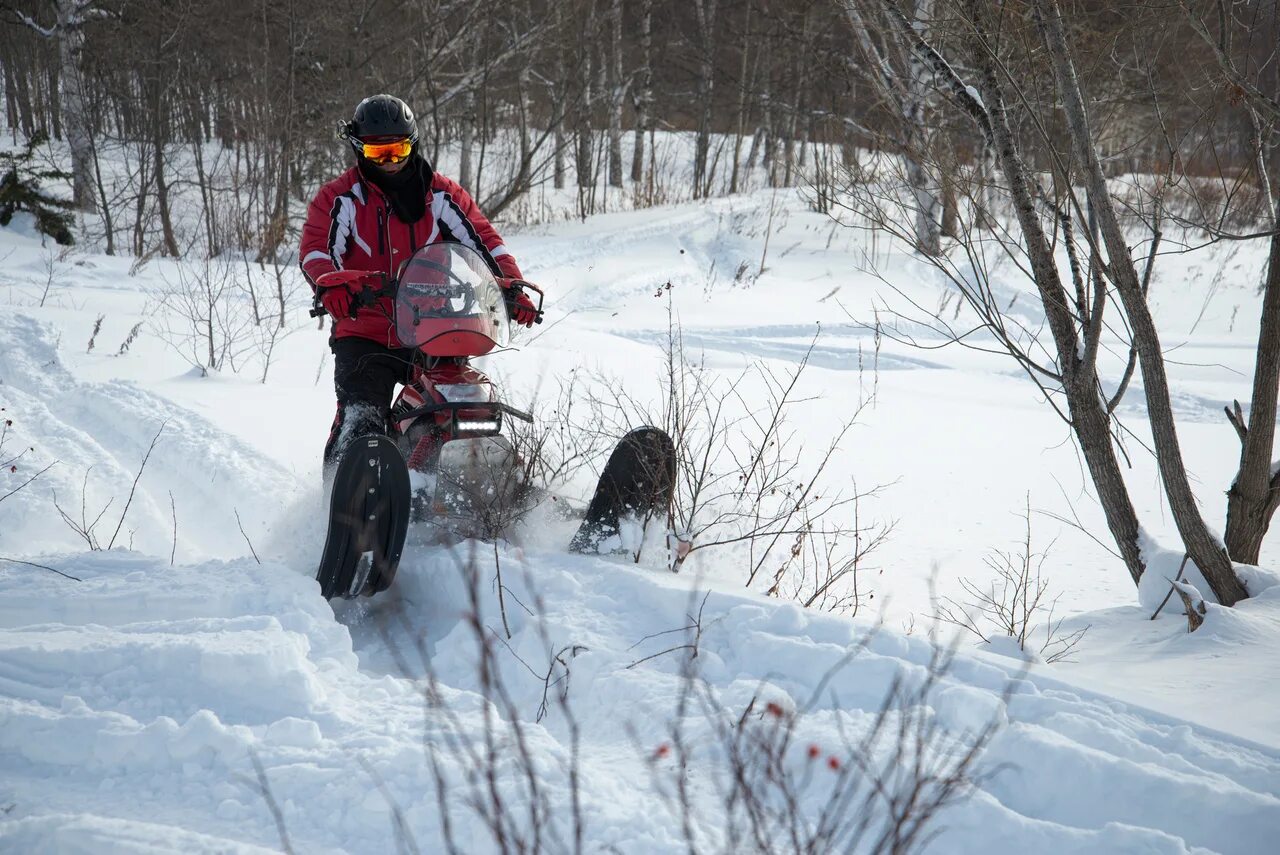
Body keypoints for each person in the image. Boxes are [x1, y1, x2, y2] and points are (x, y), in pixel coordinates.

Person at [298, 94, 540, 476]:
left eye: (399, 149)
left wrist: (511, 286)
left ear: (413, 144)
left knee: (464, 406)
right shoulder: (339, 198)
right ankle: (347, 500)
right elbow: (315, 251)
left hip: (433, 328)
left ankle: (500, 488)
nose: (391, 161)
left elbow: (485, 241)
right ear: (360, 150)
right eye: (380, 153)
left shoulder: (442, 194)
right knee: (362, 421)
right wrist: (334, 284)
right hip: (366, 332)